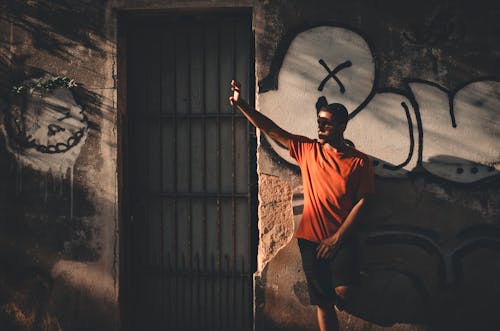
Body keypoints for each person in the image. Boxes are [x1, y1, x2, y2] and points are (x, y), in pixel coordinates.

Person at [229, 80, 374, 331]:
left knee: (346, 293)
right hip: (310, 240)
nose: (320, 126)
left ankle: (333, 294)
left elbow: (364, 201)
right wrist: (242, 105)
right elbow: (272, 130)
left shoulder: (360, 162)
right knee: (324, 303)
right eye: (318, 121)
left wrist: (338, 238)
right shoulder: (308, 150)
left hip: (342, 238)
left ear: (342, 125)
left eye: (326, 122)